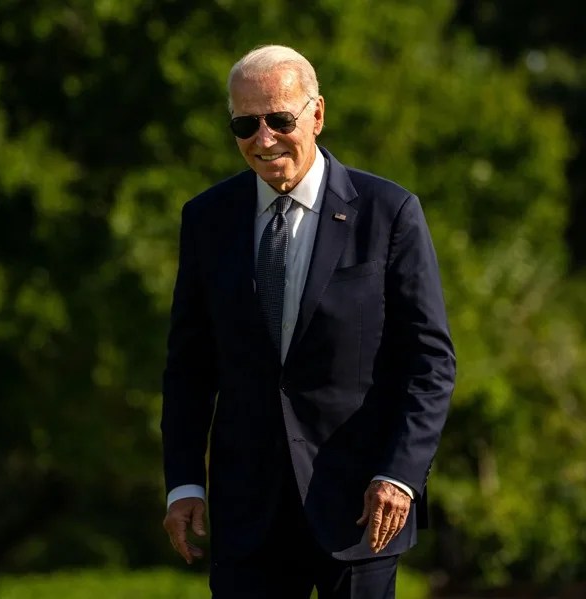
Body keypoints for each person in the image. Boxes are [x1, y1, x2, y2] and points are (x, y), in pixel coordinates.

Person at [161, 44, 456, 599]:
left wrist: (399, 475)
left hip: (363, 506)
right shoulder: (206, 219)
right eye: (245, 125)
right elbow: (189, 368)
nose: (263, 139)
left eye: (279, 120)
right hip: (248, 513)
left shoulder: (389, 213)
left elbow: (430, 363)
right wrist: (183, 482)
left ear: (317, 114)